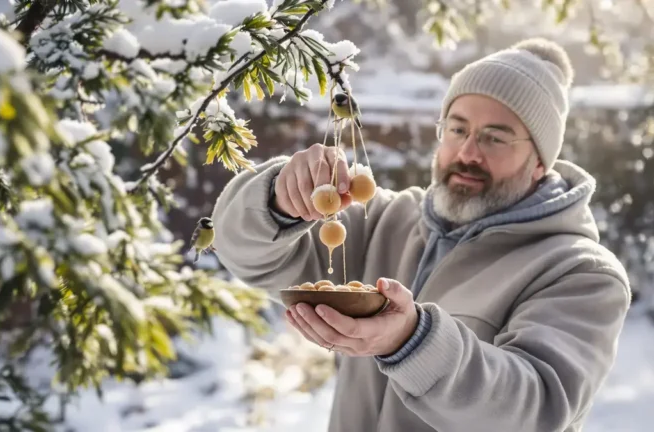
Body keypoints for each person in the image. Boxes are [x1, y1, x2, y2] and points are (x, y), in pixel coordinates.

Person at [211, 37, 631, 432]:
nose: (468, 152)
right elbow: (244, 251)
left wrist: (413, 342)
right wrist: (280, 199)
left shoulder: (580, 274)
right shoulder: (383, 221)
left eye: (495, 137)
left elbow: (535, 409)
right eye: (457, 128)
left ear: (540, 161)